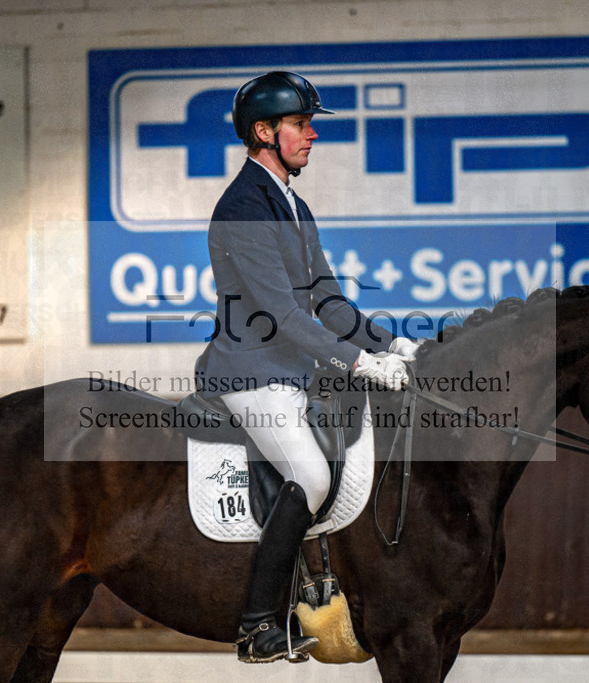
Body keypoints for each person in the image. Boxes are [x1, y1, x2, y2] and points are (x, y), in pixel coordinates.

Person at [195, 71, 418, 663]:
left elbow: (329, 302)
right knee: (313, 477)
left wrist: (394, 345)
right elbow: (284, 314)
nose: (312, 134)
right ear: (263, 132)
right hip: (250, 372)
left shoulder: (293, 204)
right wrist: (359, 362)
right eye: (300, 124)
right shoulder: (243, 208)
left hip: (293, 371)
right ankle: (257, 625)